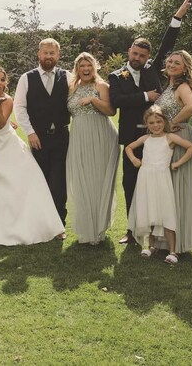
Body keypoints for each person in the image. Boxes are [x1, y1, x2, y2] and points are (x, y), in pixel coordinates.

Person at [108, 0, 191, 245]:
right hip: (131, 137)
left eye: (142, 55)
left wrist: (177, 17)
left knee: (157, 183)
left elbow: (168, 42)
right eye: (135, 53)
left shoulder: (153, 70)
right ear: (129, 51)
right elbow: (116, 101)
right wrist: (145, 96)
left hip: (157, 136)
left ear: (148, 57)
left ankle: (158, 231)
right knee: (130, 183)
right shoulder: (115, 76)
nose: (138, 58)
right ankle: (132, 231)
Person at [0, 67, 65, 245]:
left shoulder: (7, 100)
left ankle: (34, 222)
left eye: (3, 80)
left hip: (4, 145)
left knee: (18, 183)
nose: (0, 83)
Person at [126, 106, 192, 265]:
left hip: (162, 179)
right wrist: (134, 160)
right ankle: (151, 246)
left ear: (164, 121)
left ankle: (172, 251)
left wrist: (177, 163)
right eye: (151, 123)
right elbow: (129, 148)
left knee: (166, 213)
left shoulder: (170, 137)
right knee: (149, 211)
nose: (156, 125)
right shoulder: (145, 138)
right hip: (145, 179)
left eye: (158, 122)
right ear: (146, 124)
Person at [14, 39, 71, 230]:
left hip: (62, 137)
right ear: (39, 54)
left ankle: (59, 224)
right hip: (38, 138)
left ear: (58, 55)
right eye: (45, 53)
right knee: (41, 181)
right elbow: (19, 107)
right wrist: (30, 132)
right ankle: (41, 223)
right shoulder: (26, 78)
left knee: (59, 182)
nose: (48, 56)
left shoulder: (68, 76)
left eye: (52, 53)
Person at [65, 52, 119, 245]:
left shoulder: (101, 86)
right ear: (77, 69)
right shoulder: (72, 87)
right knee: (82, 180)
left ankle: (98, 228)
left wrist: (93, 100)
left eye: (89, 65)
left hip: (100, 135)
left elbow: (111, 111)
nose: (86, 69)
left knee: (97, 180)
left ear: (94, 67)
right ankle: (86, 227)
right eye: (82, 66)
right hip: (79, 136)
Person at [153, 50, 192, 254]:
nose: (171, 64)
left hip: (179, 138)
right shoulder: (168, 86)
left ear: (185, 68)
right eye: (170, 61)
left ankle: (178, 242)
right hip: (167, 140)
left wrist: (172, 122)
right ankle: (165, 241)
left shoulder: (182, 86)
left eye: (177, 63)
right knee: (166, 189)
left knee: (176, 188)